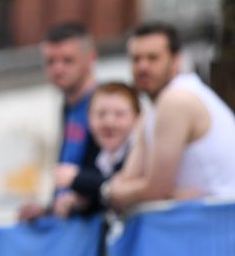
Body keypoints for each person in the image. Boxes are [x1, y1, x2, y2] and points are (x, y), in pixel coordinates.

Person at [103, 21, 235, 210]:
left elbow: (154, 191)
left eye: (153, 58)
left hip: (216, 228)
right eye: (136, 59)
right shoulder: (153, 110)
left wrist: (115, 191)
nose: (143, 67)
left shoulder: (176, 100)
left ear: (176, 60)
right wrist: (113, 190)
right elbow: (128, 181)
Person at [18, 22, 100, 221]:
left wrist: (81, 193)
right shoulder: (67, 107)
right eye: (50, 61)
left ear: (90, 58)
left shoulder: (105, 106)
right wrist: (47, 210)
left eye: (67, 60)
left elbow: (113, 177)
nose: (58, 69)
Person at [50, 82, 140, 217]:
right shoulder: (94, 156)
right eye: (101, 114)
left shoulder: (141, 154)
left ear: (138, 118)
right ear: (89, 119)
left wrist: (78, 179)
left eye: (119, 114)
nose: (109, 122)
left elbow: (121, 187)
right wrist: (74, 202)